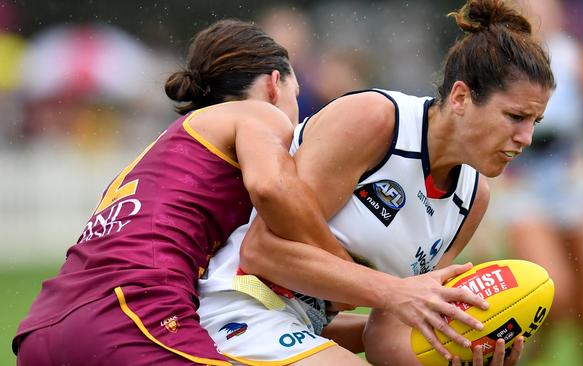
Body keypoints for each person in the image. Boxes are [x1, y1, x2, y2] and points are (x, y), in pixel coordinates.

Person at [197, 0, 555, 365]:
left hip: (302, 331)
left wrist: (458, 346)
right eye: (515, 116)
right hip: (235, 310)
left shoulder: (472, 199)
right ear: (461, 97)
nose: (526, 137)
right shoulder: (377, 121)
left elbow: (389, 333)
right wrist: (393, 291)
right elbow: (261, 253)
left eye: (535, 122)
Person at [12, 19, 354, 366]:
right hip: (131, 316)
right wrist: (344, 272)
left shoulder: (166, 150)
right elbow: (270, 188)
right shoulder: (259, 113)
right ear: (273, 85)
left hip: (44, 330)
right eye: (295, 97)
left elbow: (252, 319)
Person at [486, 0, 583, 364]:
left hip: (575, 182)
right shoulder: (499, 63)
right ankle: (533, 350)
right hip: (524, 182)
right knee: (553, 290)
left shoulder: (577, 60)